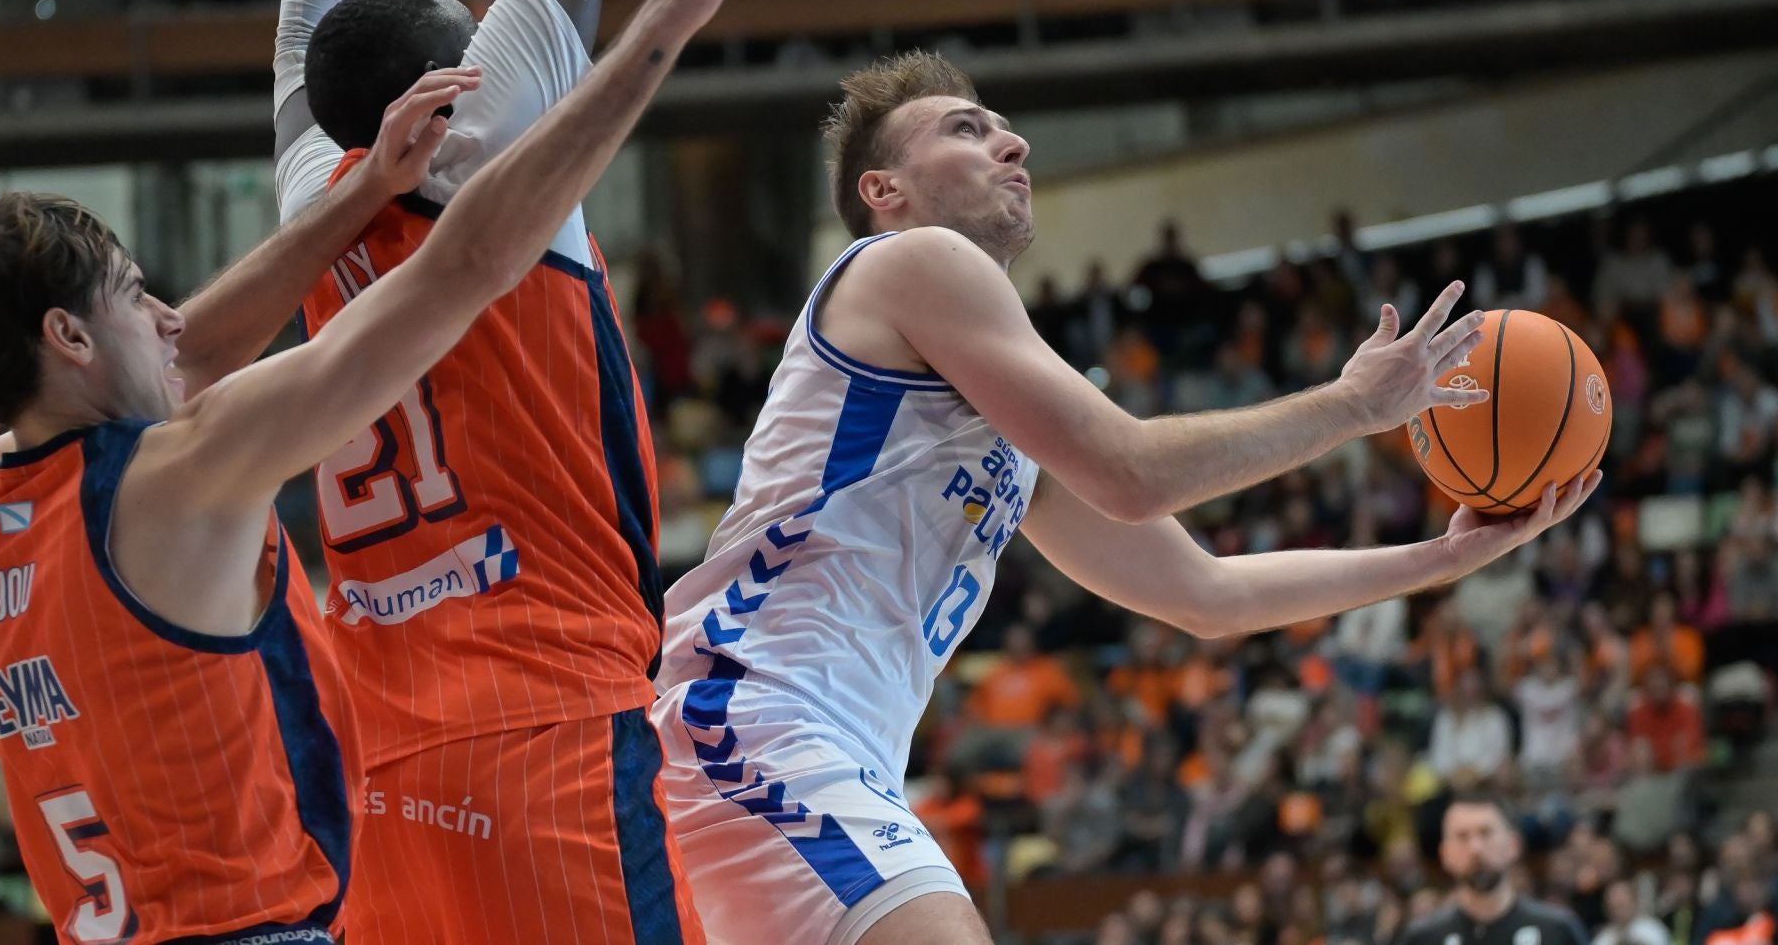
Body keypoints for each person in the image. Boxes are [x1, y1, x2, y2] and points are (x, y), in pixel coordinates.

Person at [0, 0, 758, 945]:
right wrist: (666, 20)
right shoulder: (182, 470)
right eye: (134, 293)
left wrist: (355, 194)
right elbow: (469, 261)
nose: (168, 314)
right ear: (66, 335)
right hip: (274, 917)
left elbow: (190, 351)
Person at [653, 50, 1599, 945]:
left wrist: (1443, 559)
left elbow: (1208, 596)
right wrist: (1353, 404)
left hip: (820, 741)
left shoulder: (1005, 423)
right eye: (969, 129)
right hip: (757, 710)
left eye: (1005, 130)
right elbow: (1133, 470)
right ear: (883, 191)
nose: (1012, 144)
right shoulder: (908, 260)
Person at [268, 0, 760, 939]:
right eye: (470, 33)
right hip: (548, 723)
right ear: (443, 91)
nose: (495, 26)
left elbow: (305, 35)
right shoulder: (495, 127)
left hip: (385, 752)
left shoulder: (310, 182)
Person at [1395, 796, 1590, 945]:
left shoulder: (1557, 931)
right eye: (1462, 836)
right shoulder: (1423, 938)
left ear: (1513, 845)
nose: (1475, 848)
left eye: (1486, 833)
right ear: (1444, 853)